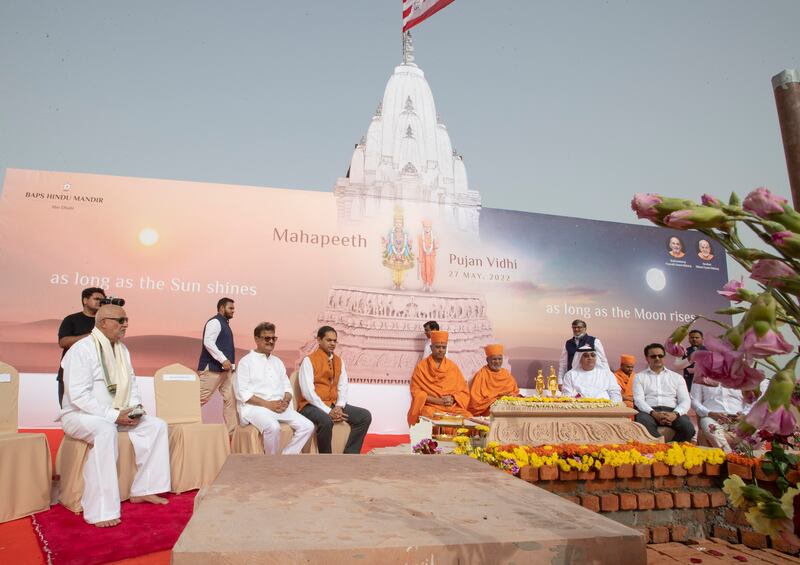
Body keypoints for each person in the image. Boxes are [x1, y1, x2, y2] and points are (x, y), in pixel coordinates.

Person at [60, 304, 170, 527]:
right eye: (121, 320)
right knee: (105, 430)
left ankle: (145, 489)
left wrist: (135, 407)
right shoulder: (82, 349)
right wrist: (112, 415)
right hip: (80, 416)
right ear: (102, 323)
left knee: (156, 425)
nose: (125, 324)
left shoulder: (122, 349)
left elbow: (132, 383)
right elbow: (78, 396)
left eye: (126, 320)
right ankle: (101, 510)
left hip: (116, 413)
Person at [234, 322, 315, 454]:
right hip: (256, 408)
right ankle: (271, 462)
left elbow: (287, 388)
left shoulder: (277, 362)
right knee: (273, 427)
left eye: (273, 338)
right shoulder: (246, 362)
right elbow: (242, 393)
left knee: (308, 426)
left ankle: (284, 458)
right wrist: (267, 404)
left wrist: (286, 401)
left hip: (278, 407)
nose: (271, 341)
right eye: (267, 338)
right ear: (256, 339)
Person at [297, 326, 372, 453]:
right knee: (326, 421)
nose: (332, 344)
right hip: (310, 406)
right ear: (319, 340)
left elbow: (343, 386)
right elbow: (308, 392)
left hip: (333, 404)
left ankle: (350, 455)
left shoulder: (339, 361)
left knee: (364, 416)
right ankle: (327, 459)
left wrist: (339, 406)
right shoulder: (309, 361)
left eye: (334, 341)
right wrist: (328, 411)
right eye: (329, 340)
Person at [633, 343, 695, 442]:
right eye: (653, 356)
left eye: (660, 356)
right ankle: (659, 449)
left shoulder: (677, 377)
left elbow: (685, 400)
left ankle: (673, 449)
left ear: (664, 357)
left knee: (688, 428)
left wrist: (675, 414)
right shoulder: (639, 377)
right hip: (649, 412)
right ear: (647, 358)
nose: (657, 358)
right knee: (643, 420)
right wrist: (654, 414)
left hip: (673, 411)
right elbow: (638, 400)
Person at [407, 330, 472, 425]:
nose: (441, 350)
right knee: (429, 415)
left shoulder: (452, 367)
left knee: (468, 417)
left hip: (451, 407)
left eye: (443, 347)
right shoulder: (421, 367)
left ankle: (460, 440)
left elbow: (463, 392)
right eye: (437, 347)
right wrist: (438, 401)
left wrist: (453, 398)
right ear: (431, 347)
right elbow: (416, 392)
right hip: (431, 407)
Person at [56, 287, 106, 406]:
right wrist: (91, 336)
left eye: (103, 300)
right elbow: (63, 342)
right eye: (96, 299)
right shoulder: (71, 319)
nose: (100, 302)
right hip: (71, 372)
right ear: (85, 300)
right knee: (68, 410)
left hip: (98, 375)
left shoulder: (105, 321)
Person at [197, 297, 237, 435]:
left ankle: (232, 434)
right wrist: (223, 360)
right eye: (230, 308)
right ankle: (180, 424)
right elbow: (208, 342)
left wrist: (230, 365)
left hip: (225, 371)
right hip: (213, 369)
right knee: (199, 398)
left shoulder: (224, 323)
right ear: (221, 308)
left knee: (231, 399)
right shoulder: (215, 322)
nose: (233, 311)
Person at [690, 382, 749, 453]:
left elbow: (752, 402)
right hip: (711, 416)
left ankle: (743, 458)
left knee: (758, 433)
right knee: (712, 430)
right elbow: (694, 401)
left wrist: (744, 414)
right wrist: (709, 413)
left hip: (738, 417)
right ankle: (729, 456)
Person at [468, 344, 520, 416]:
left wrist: (509, 397)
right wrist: (496, 399)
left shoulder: (506, 374)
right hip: (488, 409)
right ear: (487, 360)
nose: (497, 362)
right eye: (494, 359)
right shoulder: (481, 375)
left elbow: (515, 393)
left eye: (500, 359)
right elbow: (475, 402)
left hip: (508, 407)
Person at [418, 219, 438, 292]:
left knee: (431, 270)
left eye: (429, 227)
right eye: (426, 227)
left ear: (431, 227)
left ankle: (430, 285)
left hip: (431, 256)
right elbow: (420, 247)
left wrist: (435, 243)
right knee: (423, 270)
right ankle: (424, 284)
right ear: (423, 227)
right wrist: (420, 257)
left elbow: (436, 246)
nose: (427, 228)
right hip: (424, 256)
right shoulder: (420, 236)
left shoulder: (434, 236)